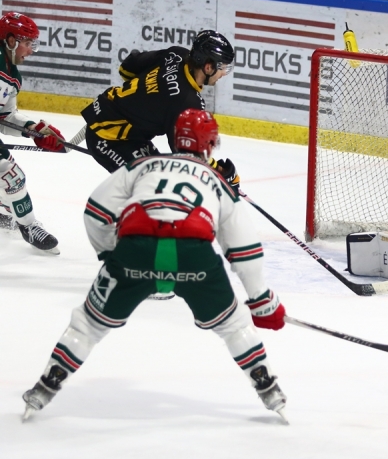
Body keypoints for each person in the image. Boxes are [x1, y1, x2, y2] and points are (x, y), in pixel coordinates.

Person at [21, 109, 288, 421]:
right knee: (233, 326)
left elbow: (96, 211)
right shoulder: (220, 182)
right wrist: (261, 299)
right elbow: (243, 249)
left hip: (136, 249)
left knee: (88, 325)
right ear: (210, 143)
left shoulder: (142, 165)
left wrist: (111, 256)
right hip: (194, 256)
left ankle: (45, 387)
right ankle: (269, 389)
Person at [81, 30, 234, 174]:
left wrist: (146, 94)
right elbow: (187, 154)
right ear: (208, 67)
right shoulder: (187, 102)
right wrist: (219, 170)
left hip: (107, 113)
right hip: (109, 137)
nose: (223, 73)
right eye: (223, 68)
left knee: (160, 183)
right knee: (152, 187)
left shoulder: (176, 54)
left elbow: (126, 69)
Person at [0, 12, 65, 254]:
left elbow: (4, 118)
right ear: (10, 41)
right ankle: (28, 226)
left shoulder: (13, 77)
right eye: (27, 43)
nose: (30, 50)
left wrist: (34, 130)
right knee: (11, 175)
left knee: (8, 178)